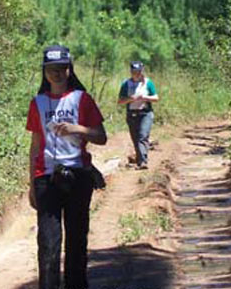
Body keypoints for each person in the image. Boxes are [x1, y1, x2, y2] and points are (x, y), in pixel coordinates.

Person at [26, 45, 107, 289]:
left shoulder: (82, 99)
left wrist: (78, 129)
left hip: (78, 177)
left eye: (61, 68)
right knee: (48, 245)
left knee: (76, 242)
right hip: (46, 179)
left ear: (69, 70)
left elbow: (102, 137)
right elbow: (35, 146)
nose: (56, 73)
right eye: (51, 69)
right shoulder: (37, 103)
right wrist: (31, 185)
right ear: (45, 71)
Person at [118, 61, 159, 170]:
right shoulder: (126, 84)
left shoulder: (148, 83)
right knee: (135, 138)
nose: (136, 74)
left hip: (145, 113)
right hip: (132, 114)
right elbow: (120, 101)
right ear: (131, 72)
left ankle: (143, 162)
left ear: (141, 71)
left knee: (143, 136)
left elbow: (156, 98)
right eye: (134, 71)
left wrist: (145, 97)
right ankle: (139, 158)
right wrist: (131, 99)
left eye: (138, 71)